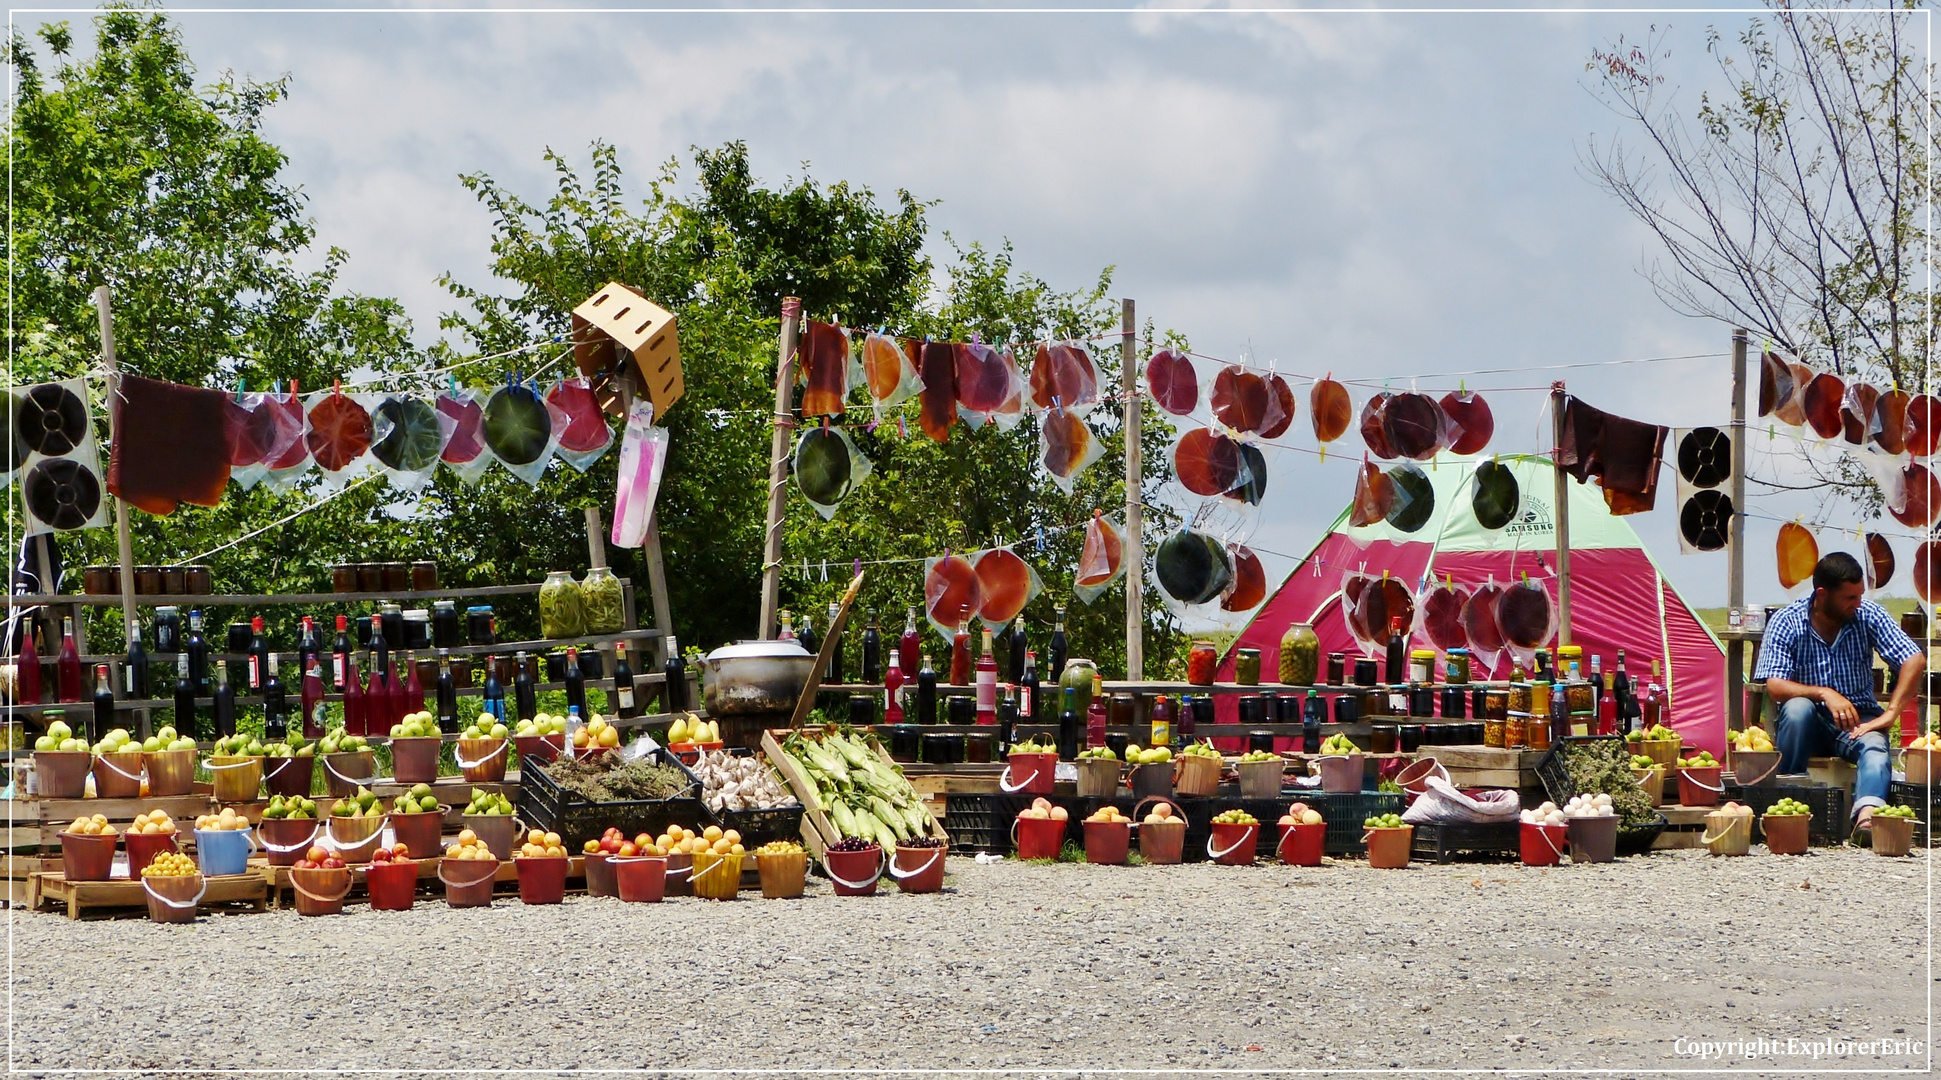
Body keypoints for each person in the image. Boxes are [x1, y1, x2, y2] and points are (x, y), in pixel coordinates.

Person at [1754, 552, 1925, 832]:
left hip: (1857, 719)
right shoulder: (1787, 621)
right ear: (1822, 594)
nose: (1857, 604)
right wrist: (1824, 693)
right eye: (1849, 598)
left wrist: (1891, 713)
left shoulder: (1867, 614)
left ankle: (1867, 821)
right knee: (1797, 709)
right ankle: (1790, 801)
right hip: (1810, 721)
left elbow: (1913, 659)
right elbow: (1775, 685)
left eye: (1859, 596)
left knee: (1875, 747)